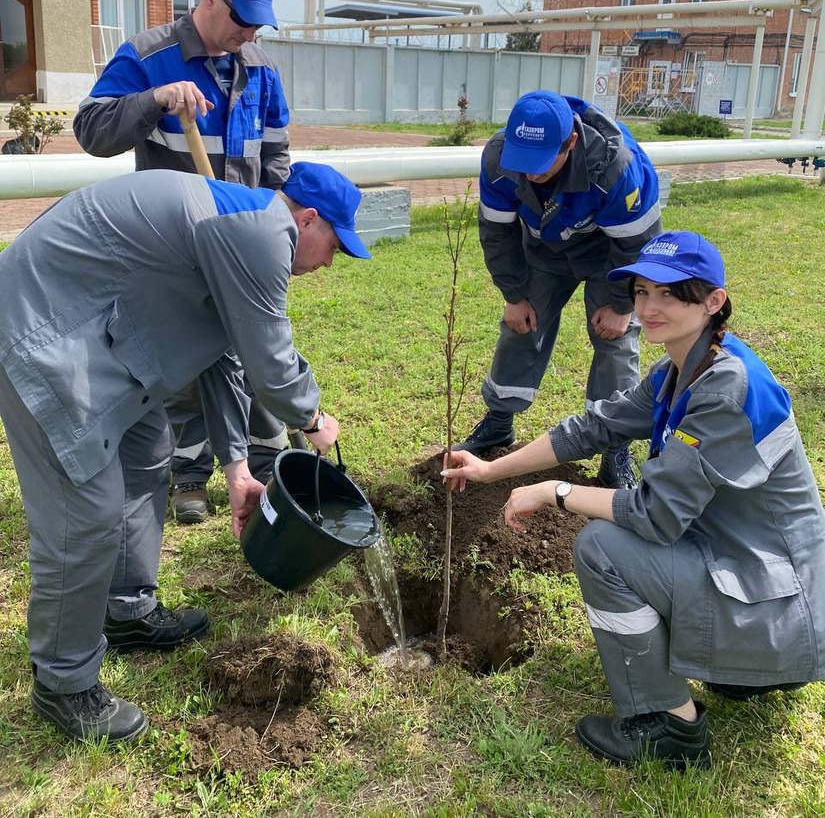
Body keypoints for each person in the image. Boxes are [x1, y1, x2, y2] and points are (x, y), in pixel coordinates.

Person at [0, 161, 371, 743]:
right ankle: (63, 682)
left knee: (149, 448)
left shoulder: (240, 229)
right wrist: (313, 417)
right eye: (333, 247)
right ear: (308, 218)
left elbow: (224, 358)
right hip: (43, 331)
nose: (328, 263)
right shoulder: (260, 234)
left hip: (107, 335)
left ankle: (126, 609)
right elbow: (271, 367)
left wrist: (238, 468)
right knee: (86, 515)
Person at [443, 231, 825, 770]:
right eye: (643, 291)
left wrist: (557, 491)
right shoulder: (686, 368)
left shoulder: (725, 388)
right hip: (763, 585)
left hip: (783, 610)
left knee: (603, 545)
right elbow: (593, 427)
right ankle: (738, 670)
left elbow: (655, 514)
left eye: (670, 293)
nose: (649, 307)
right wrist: (492, 470)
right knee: (618, 532)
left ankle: (671, 729)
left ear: (714, 302)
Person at [74, 0, 294, 524]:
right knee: (183, 362)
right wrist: (153, 101)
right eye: (241, 18)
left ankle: (268, 466)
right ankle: (189, 474)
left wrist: (270, 221)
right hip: (171, 249)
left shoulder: (260, 68)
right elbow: (91, 130)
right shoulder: (150, 57)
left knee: (253, 349)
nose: (248, 32)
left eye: (257, 24)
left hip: (240, 246)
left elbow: (275, 154)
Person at [454, 90, 662, 490]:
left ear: (570, 143)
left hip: (611, 255)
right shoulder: (499, 159)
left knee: (615, 340)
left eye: (541, 161)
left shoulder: (617, 170)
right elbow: (496, 233)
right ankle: (499, 423)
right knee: (521, 325)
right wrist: (513, 294)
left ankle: (614, 448)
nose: (530, 172)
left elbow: (636, 245)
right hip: (545, 248)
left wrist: (621, 304)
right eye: (523, 161)